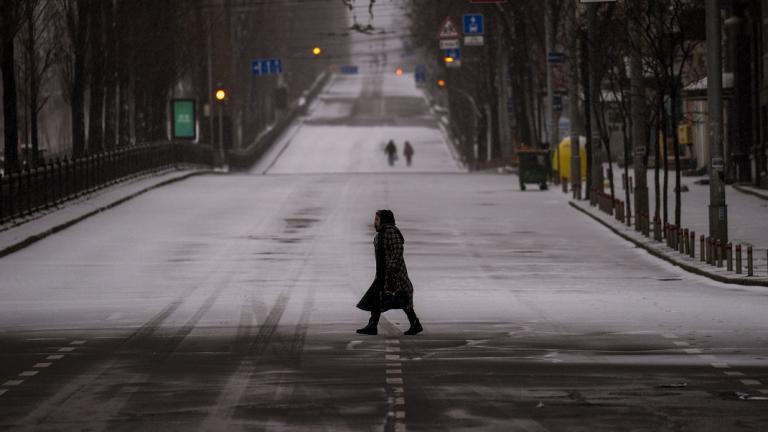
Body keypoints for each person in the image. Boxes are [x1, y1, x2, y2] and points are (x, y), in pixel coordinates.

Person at [356, 209, 423, 336]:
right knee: (378, 299)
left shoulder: (390, 232)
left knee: (402, 298)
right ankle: (372, 325)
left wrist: (391, 269)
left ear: (384, 220)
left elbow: (398, 251)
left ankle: (415, 323)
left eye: (377, 219)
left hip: (394, 274)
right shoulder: (380, 235)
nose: (374, 222)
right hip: (382, 274)